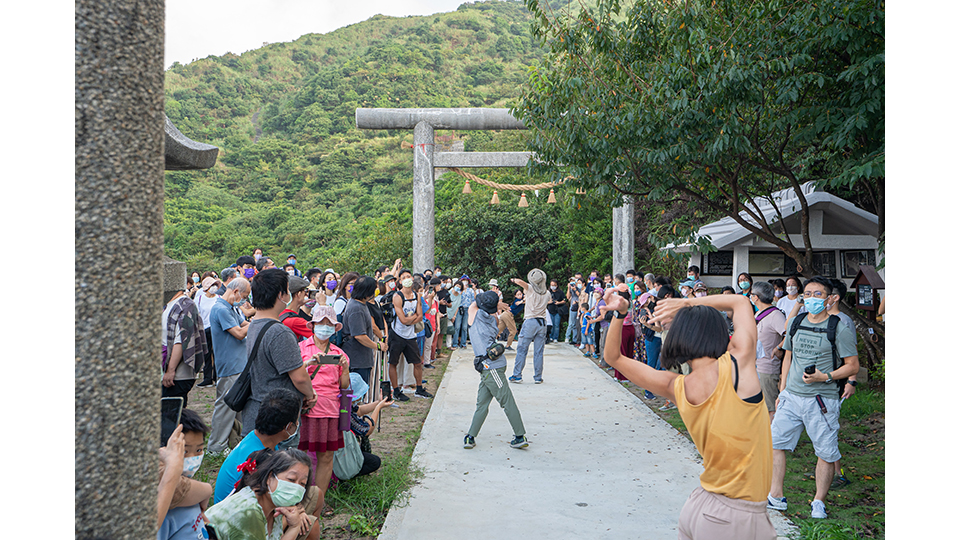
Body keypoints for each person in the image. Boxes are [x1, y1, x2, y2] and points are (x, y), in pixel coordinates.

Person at [602, 287, 776, 540]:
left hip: (699, 506)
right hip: (737, 516)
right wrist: (685, 302)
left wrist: (620, 314)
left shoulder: (676, 386)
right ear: (718, 334)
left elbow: (613, 358)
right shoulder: (738, 366)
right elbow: (739, 302)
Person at [767, 276, 860, 520]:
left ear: (830, 299)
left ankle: (818, 501)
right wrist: (782, 389)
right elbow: (788, 356)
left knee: (826, 453)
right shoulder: (796, 321)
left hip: (821, 401)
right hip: (791, 398)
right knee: (776, 443)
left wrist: (825, 376)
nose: (811, 298)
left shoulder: (838, 327)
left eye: (817, 294)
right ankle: (776, 496)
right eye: (807, 294)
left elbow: (852, 365)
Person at [240, 269, 318, 440]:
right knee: (280, 464)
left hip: (257, 407)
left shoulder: (254, 325)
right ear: (280, 295)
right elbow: (299, 377)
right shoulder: (279, 332)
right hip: (277, 416)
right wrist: (310, 395)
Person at [297, 306, 350, 519]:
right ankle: (298, 500)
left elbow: (344, 386)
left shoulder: (339, 353)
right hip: (306, 409)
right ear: (313, 326)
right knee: (300, 456)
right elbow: (293, 376)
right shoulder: (301, 348)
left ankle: (318, 501)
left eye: (329, 324)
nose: (325, 328)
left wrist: (344, 369)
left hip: (331, 410)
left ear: (335, 328)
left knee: (326, 456)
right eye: (321, 324)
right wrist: (308, 364)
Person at [214, 388, 305, 504]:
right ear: (288, 427)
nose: (298, 424)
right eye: (297, 420)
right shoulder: (260, 458)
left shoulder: (256, 438)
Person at [463, 291, 529, 450]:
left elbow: (473, 304)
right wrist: (497, 304)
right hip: (489, 366)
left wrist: (493, 303)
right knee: (482, 404)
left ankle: (520, 436)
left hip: (492, 368)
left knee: (506, 401)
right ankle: (471, 436)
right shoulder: (494, 319)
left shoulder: (476, 316)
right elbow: (485, 308)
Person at [206, 448, 319, 540]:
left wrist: (295, 526)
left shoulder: (273, 506)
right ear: (269, 477)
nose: (296, 488)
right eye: (291, 479)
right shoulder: (249, 512)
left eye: (302, 483)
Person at [207, 277, 252, 455]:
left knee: (238, 407)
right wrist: (258, 322)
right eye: (244, 295)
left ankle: (233, 442)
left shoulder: (232, 308)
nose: (245, 300)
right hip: (229, 366)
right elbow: (240, 333)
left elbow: (244, 323)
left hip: (239, 365)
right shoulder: (220, 309)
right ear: (235, 292)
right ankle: (215, 447)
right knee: (225, 407)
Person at [157, 410, 214, 539]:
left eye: (199, 450)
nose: (192, 457)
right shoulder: (166, 506)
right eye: (184, 451)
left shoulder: (192, 494)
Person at [388, 269, 434, 401]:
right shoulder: (397, 297)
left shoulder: (416, 296)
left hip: (411, 335)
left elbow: (420, 317)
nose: (407, 279)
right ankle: (396, 390)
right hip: (397, 334)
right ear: (400, 281)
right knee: (393, 362)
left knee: (417, 362)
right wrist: (413, 318)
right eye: (404, 277)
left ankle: (419, 389)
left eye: (409, 276)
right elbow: (402, 320)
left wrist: (411, 319)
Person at [337, 373, 391, 480]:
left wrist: (378, 402)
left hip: (341, 449)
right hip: (341, 453)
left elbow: (360, 410)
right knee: (374, 462)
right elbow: (367, 430)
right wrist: (378, 408)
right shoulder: (345, 414)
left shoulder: (342, 403)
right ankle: (347, 475)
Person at [162, 285, 208, 408]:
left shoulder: (186, 305)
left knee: (172, 416)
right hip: (166, 369)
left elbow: (181, 340)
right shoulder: (167, 303)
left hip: (178, 375)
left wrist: (170, 370)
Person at [750, 282, 787, 423]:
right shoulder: (758, 313)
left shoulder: (775, 315)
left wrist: (778, 348)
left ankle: (772, 439)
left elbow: (788, 334)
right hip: (756, 365)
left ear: (756, 297)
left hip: (768, 367)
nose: (750, 297)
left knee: (770, 406)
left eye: (752, 294)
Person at [508, 268, 550, 384]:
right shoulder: (547, 293)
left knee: (522, 349)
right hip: (542, 323)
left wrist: (513, 280)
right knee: (539, 352)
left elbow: (522, 283)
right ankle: (538, 377)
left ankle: (517, 375)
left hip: (530, 321)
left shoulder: (531, 289)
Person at [339, 276, 382, 385]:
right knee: (357, 394)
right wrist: (377, 346)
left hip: (362, 358)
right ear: (368, 292)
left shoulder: (360, 304)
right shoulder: (356, 308)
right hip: (356, 360)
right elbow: (359, 335)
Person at [195, 276, 221, 388]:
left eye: (215, 285)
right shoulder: (199, 299)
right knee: (206, 354)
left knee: (217, 353)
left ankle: (216, 377)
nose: (214, 287)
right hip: (204, 329)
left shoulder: (219, 298)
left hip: (216, 329)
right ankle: (207, 378)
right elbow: (196, 314)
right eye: (211, 285)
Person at [280, 277, 312, 341]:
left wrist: (299, 304)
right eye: (304, 291)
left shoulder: (280, 313)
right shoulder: (296, 322)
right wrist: (323, 304)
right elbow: (321, 336)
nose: (306, 294)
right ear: (298, 294)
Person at [565, 277, 581, 345]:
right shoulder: (571, 288)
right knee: (572, 323)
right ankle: (568, 337)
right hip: (573, 306)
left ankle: (575, 339)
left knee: (577, 324)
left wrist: (575, 289)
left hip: (579, 306)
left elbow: (580, 296)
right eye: (571, 282)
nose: (572, 283)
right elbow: (568, 297)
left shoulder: (579, 288)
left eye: (573, 281)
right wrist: (569, 288)